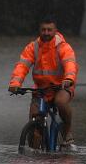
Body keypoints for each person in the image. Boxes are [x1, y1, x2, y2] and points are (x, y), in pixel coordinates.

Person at [8, 18, 79, 149]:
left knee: (61, 102)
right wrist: (15, 83)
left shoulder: (63, 47)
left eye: (49, 30)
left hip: (61, 87)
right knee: (34, 120)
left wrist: (69, 79)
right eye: (43, 30)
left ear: (55, 31)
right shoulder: (32, 47)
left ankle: (67, 131)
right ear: (39, 31)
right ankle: (34, 150)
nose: (46, 32)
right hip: (41, 89)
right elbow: (22, 66)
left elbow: (70, 64)